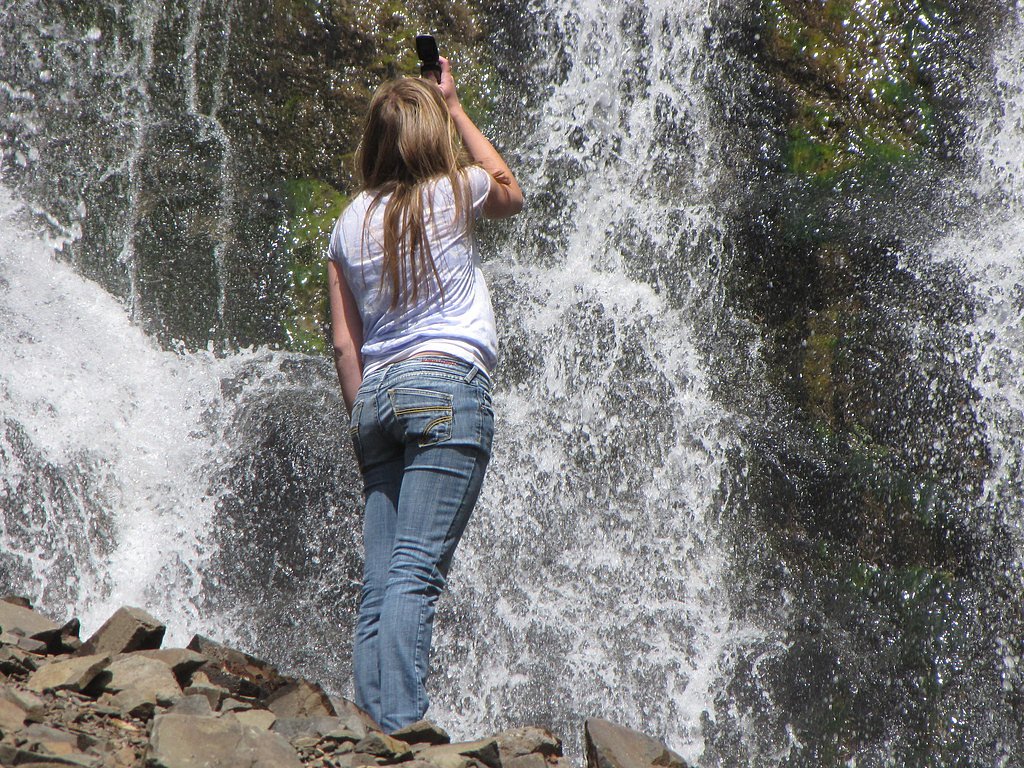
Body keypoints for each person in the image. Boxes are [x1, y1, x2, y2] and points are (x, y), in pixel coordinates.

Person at [326, 55, 523, 733]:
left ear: (375, 143)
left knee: (381, 580)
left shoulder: (348, 221)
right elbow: (511, 190)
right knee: (415, 572)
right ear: (428, 135)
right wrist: (459, 106)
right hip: (445, 386)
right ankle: (405, 728)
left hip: (376, 399)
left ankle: (370, 728)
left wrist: (363, 425)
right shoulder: (456, 189)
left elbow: (345, 344)